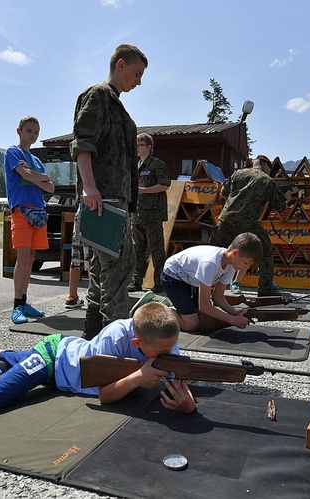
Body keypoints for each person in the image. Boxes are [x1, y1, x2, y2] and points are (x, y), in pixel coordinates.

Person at [0, 302, 196, 415]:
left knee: (4, 353)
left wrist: (188, 403)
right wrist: (137, 378)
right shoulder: (114, 337)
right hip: (53, 359)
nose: (170, 356)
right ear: (136, 343)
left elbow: (179, 379)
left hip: (59, 363)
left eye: (172, 350)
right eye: (163, 353)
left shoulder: (164, 343)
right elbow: (106, 396)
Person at [70, 43, 147, 339]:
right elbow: (83, 143)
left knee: (104, 270)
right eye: (137, 74)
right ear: (121, 65)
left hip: (114, 199)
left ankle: (93, 332)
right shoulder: (99, 95)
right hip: (102, 198)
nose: (138, 81)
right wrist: (89, 187)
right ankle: (115, 337)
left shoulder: (115, 102)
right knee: (122, 265)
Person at [209, 155, 297, 297]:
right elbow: (280, 207)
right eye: (270, 168)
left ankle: (202, 286)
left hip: (226, 220)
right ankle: (265, 290)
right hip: (249, 224)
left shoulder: (238, 174)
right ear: (265, 165)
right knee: (266, 252)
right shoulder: (266, 180)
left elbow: (224, 192)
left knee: (213, 252)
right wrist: (287, 198)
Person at [4, 116, 55, 324]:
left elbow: (51, 187)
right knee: (23, 256)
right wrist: (37, 177)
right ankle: (16, 305)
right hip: (21, 211)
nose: (32, 135)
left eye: (36, 132)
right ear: (19, 131)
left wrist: (34, 175)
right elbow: (25, 177)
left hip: (38, 212)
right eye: (29, 131)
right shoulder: (13, 152)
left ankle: (24, 302)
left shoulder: (35, 160)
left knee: (32, 257)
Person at [157, 232, 263, 333]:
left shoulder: (231, 264)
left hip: (191, 280)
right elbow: (204, 306)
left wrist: (235, 313)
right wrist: (233, 320)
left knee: (204, 319)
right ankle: (156, 309)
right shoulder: (210, 264)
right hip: (173, 276)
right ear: (235, 253)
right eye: (246, 263)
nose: (246, 267)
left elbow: (218, 297)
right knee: (191, 325)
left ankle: (179, 308)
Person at [128, 132, 170, 294]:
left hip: (153, 214)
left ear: (150, 147)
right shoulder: (136, 165)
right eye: (136, 145)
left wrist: (143, 191)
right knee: (137, 250)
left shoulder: (156, 164)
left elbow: (164, 185)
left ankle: (160, 282)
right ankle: (136, 281)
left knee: (156, 249)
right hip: (137, 214)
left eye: (141, 145)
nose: (137, 148)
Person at [64, 208, 90, 309]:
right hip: (94, 212)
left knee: (76, 259)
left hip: (82, 211)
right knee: (92, 260)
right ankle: (95, 298)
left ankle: (72, 297)